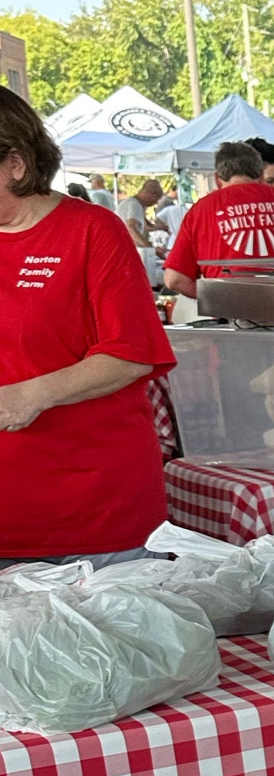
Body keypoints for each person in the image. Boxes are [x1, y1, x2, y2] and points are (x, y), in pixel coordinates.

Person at [0, 86, 175, 568]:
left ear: (15, 164)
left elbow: (131, 353)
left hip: (95, 519)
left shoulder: (92, 230)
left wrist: (28, 395)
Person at [163, 141, 274, 296]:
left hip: (232, 318)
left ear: (217, 178)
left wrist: (215, 300)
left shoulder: (201, 210)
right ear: (261, 175)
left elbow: (174, 279)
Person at [116, 176, 164, 252]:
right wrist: (150, 248)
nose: (155, 203)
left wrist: (158, 228)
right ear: (153, 196)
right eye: (156, 200)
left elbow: (144, 227)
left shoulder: (132, 203)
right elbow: (131, 227)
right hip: (124, 249)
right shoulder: (135, 205)